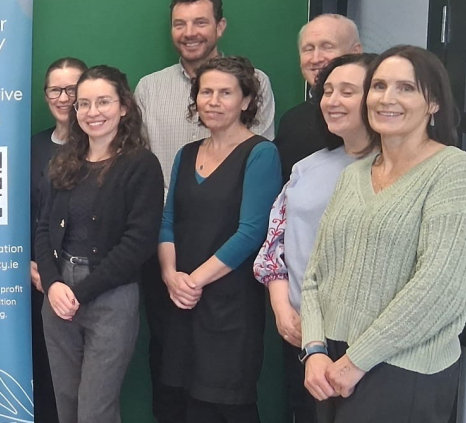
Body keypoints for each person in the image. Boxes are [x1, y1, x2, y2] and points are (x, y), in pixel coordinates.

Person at [300, 45, 466, 423]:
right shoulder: (353, 175)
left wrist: (356, 361)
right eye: (378, 86)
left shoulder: (453, 171)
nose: (387, 98)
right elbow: (315, 276)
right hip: (331, 365)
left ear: (434, 104)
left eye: (406, 88)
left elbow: (441, 287)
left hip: (403, 370)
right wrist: (313, 350)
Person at [153, 56, 281, 422]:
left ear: (245, 101)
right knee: (187, 403)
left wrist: (194, 281)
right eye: (206, 92)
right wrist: (170, 275)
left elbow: (251, 232)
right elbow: (168, 220)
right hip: (182, 301)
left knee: (228, 405)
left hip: (231, 306)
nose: (213, 100)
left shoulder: (261, 153)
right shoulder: (186, 154)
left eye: (225, 93)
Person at [33, 65, 164, 423]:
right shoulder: (64, 163)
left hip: (111, 298)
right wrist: (53, 283)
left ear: (124, 107)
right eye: (84, 103)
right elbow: (43, 229)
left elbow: (138, 243)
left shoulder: (141, 165)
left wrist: (82, 291)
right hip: (59, 297)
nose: (93, 112)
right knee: (67, 403)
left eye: (103, 101)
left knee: (95, 410)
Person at [252, 53, 376, 423]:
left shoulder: (397, 170)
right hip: (299, 333)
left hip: (363, 343)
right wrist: (282, 309)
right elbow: (275, 243)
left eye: (348, 91)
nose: (333, 101)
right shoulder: (309, 165)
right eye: (328, 91)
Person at [135, 0, 276, 186]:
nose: (189, 33)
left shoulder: (254, 82)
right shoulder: (148, 88)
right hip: (161, 211)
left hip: (232, 211)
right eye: (180, 24)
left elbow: (260, 164)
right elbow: (139, 166)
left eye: (200, 22)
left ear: (220, 27)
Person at [29, 56, 86, 423]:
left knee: (87, 388)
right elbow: (21, 212)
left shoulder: (102, 147)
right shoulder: (32, 147)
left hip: (89, 285)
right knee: (47, 381)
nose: (64, 97)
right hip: (38, 280)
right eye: (56, 89)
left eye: (73, 89)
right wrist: (33, 267)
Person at [275, 14, 363, 182]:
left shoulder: (376, 117)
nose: (316, 58)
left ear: (355, 52)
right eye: (308, 49)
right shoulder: (291, 121)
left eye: (327, 47)